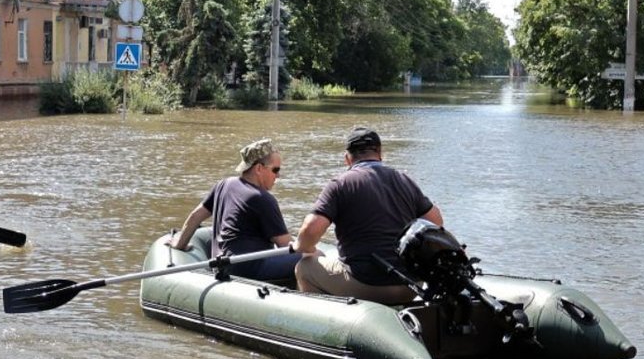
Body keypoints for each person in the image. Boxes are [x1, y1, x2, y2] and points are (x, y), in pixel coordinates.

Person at [294, 127, 443, 304]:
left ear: (347, 158)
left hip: (368, 285)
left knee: (305, 268)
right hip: (410, 286)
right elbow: (436, 223)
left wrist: (301, 246)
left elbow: (310, 230)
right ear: (380, 153)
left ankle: (326, 318)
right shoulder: (404, 180)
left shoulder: (340, 184)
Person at [166, 138, 301, 284]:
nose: (278, 176)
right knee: (308, 256)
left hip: (220, 265)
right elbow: (286, 246)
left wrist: (179, 244)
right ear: (259, 169)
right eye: (276, 170)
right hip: (247, 270)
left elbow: (196, 216)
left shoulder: (224, 185)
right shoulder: (262, 199)